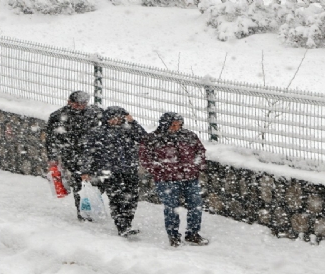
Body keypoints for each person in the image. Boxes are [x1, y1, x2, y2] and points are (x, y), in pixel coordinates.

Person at [139, 112, 208, 247]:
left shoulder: (189, 136)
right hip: (166, 180)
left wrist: (196, 166)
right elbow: (145, 159)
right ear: (165, 125)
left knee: (196, 206)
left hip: (190, 177)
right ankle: (173, 236)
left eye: (179, 125)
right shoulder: (153, 139)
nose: (177, 127)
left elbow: (200, 152)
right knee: (171, 208)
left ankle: (193, 234)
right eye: (173, 125)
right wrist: (161, 170)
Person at [80, 106, 147, 237]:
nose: (116, 121)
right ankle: (122, 226)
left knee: (132, 198)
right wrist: (85, 170)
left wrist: (132, 122)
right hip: (108, 172)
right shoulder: (97, 132)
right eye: (113, 118)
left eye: (119, 118)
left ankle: (127, 223)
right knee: (117, 198)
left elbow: (144, 138)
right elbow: (88, 153)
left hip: (129, 170)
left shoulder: (128, 130)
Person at [44, 90, 103, 221]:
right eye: (77, 104)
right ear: (69, 102)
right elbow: (51, 139)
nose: (80, 107)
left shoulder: (93, 112)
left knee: (96, 182)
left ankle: (91, 206)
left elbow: (108, 119)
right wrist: (52, 158)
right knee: (79, 182)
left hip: (92, 152)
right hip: (71, 153)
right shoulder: (58, 116)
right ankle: (82, 211)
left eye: (83, 104)